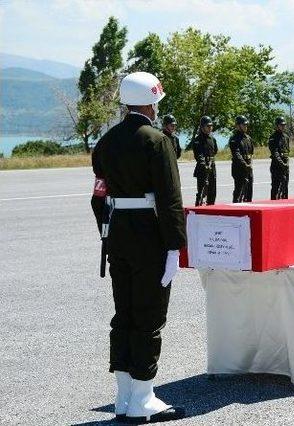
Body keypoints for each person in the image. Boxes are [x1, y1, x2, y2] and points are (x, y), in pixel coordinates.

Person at [90, 71, 186, 422]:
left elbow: (98, 196)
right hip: (149, 237)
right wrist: (175, 246)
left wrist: (108, 234)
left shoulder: (107, 141)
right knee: (149, 315)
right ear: (150, 102)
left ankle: (124, 395)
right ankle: (143, 398)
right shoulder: (156, 140)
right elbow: (170, 199)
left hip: (118, 235)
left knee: (125, 314)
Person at [192, 116, 218, 206]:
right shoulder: (197, 140)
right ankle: (198, 210)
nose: (210, 128)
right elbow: (198, 155)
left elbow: (215, 151)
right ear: (202, 127)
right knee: (202, 193)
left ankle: (211, 208)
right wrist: (204, 165)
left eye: (211, 126)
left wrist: (209, 164)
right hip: (202, 168)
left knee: (212, 191)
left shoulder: (212, 139)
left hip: (212, 167)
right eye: (208, 126)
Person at [229, 115, 254, 203]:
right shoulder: (234, 139)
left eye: (246, 125)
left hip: (248, 167)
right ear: (238, 126)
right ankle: (236, 209)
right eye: (244, 125)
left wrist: (249, 164)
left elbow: (251, 153)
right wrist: (245, 164)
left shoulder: (248, 138)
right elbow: (236, 154)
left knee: (249, 191)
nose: (246, 126)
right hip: (239, 168)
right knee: (239, 191)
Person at [268, 116, 290, 200]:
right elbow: (275, 153)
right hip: (277, 166)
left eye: (284, 125)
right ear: (277, 126)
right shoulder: (273, 138)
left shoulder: (286, 137)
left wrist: (286, 164)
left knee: (285, 187)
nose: (283, 126)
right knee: (276, 187)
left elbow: (287, 152)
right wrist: (282, 164)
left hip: (285, 165)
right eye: (281, 125)